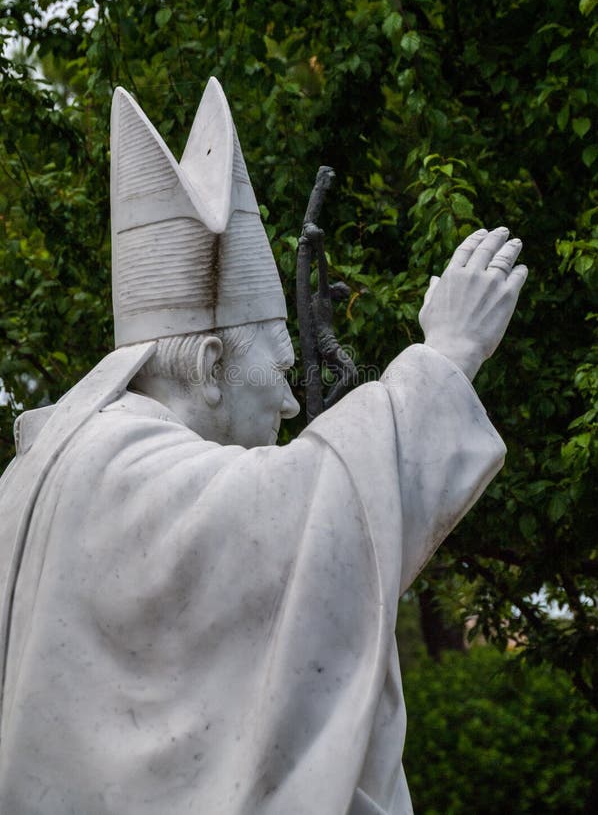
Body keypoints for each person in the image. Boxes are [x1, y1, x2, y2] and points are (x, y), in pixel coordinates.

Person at [0, 79, 526, 815]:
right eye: (278, 371)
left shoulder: (49, 468)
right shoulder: (123, 467)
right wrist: (448, 357)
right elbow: (316, 505)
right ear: (212, 367)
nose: (290, 400)